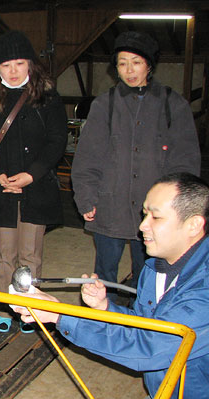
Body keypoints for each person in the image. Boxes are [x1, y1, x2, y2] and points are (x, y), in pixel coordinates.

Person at [14, 172, 209, 399]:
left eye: (155, 217)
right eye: (144, 214)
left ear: (193, 225)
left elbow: (148, 348)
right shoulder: (157, 268)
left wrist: (59, 315)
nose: (142, 226)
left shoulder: (204, 290)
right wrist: (105, 307)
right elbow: (145, 326)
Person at [71, 31, 200, 303]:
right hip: (109, 206)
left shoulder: (173, 105)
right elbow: (87, 158)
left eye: (136, 62)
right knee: (104, 273)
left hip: (156, 212)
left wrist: (178, 206)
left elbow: (186, 162)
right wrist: (86, 197)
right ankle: (103, 319)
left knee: (150, 274)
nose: (129, 70)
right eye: (122, 63)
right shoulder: (104, 105)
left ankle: (144, 318)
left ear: (149, 65)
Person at [0, 30, 67, 333]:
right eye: (6, 65)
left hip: (35, 188)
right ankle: (4, 308)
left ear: (30, 64)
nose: (13, 71)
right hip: (0, 188)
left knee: (30, 254)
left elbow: (57, 140)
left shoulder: (48, 97)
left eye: (19, 64)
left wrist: (32, 174)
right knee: (3, 254)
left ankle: (30, 309)